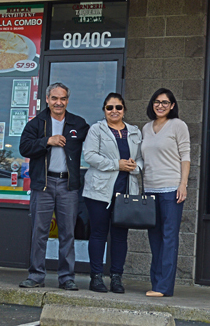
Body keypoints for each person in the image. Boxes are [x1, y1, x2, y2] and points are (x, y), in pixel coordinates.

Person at [18, 82, 89, 290]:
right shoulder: (37, 123)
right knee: (39, 232)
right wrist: (47, 140)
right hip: (44, 184)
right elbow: (24, 147)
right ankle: (36, 275)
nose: (59, 102)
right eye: (55, 98)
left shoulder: (78, 123)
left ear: (67, 100)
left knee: (68, 232)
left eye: (63, 98)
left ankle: (67, 277)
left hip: (68, 185)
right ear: (48, 100)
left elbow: (95, 142)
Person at [81, 93, 143, 294]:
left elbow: (142, 159)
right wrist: (117, 164)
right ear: (104, 110)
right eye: (110, 107)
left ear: (124, 109)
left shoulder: (135, 132)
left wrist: (134, 167)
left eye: (118, 107)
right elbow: (89, 156)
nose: (114, 111)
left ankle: (117, 278)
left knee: (120, 237)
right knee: (98, 234)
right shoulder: (96, 130)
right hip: (99, 191)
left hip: (125, 192)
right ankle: (96, 277)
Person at [141, 88, 190, 297]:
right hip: (150, 189)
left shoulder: (178, 125)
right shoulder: (146, 128)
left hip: (171, 189)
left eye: (165, 102)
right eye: (156, 101)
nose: (160, 105)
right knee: (154, 238)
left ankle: (164, 287)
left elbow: (185, 156)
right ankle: (156, 283)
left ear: (172, 106)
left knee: (169, 237)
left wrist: (183, 184)